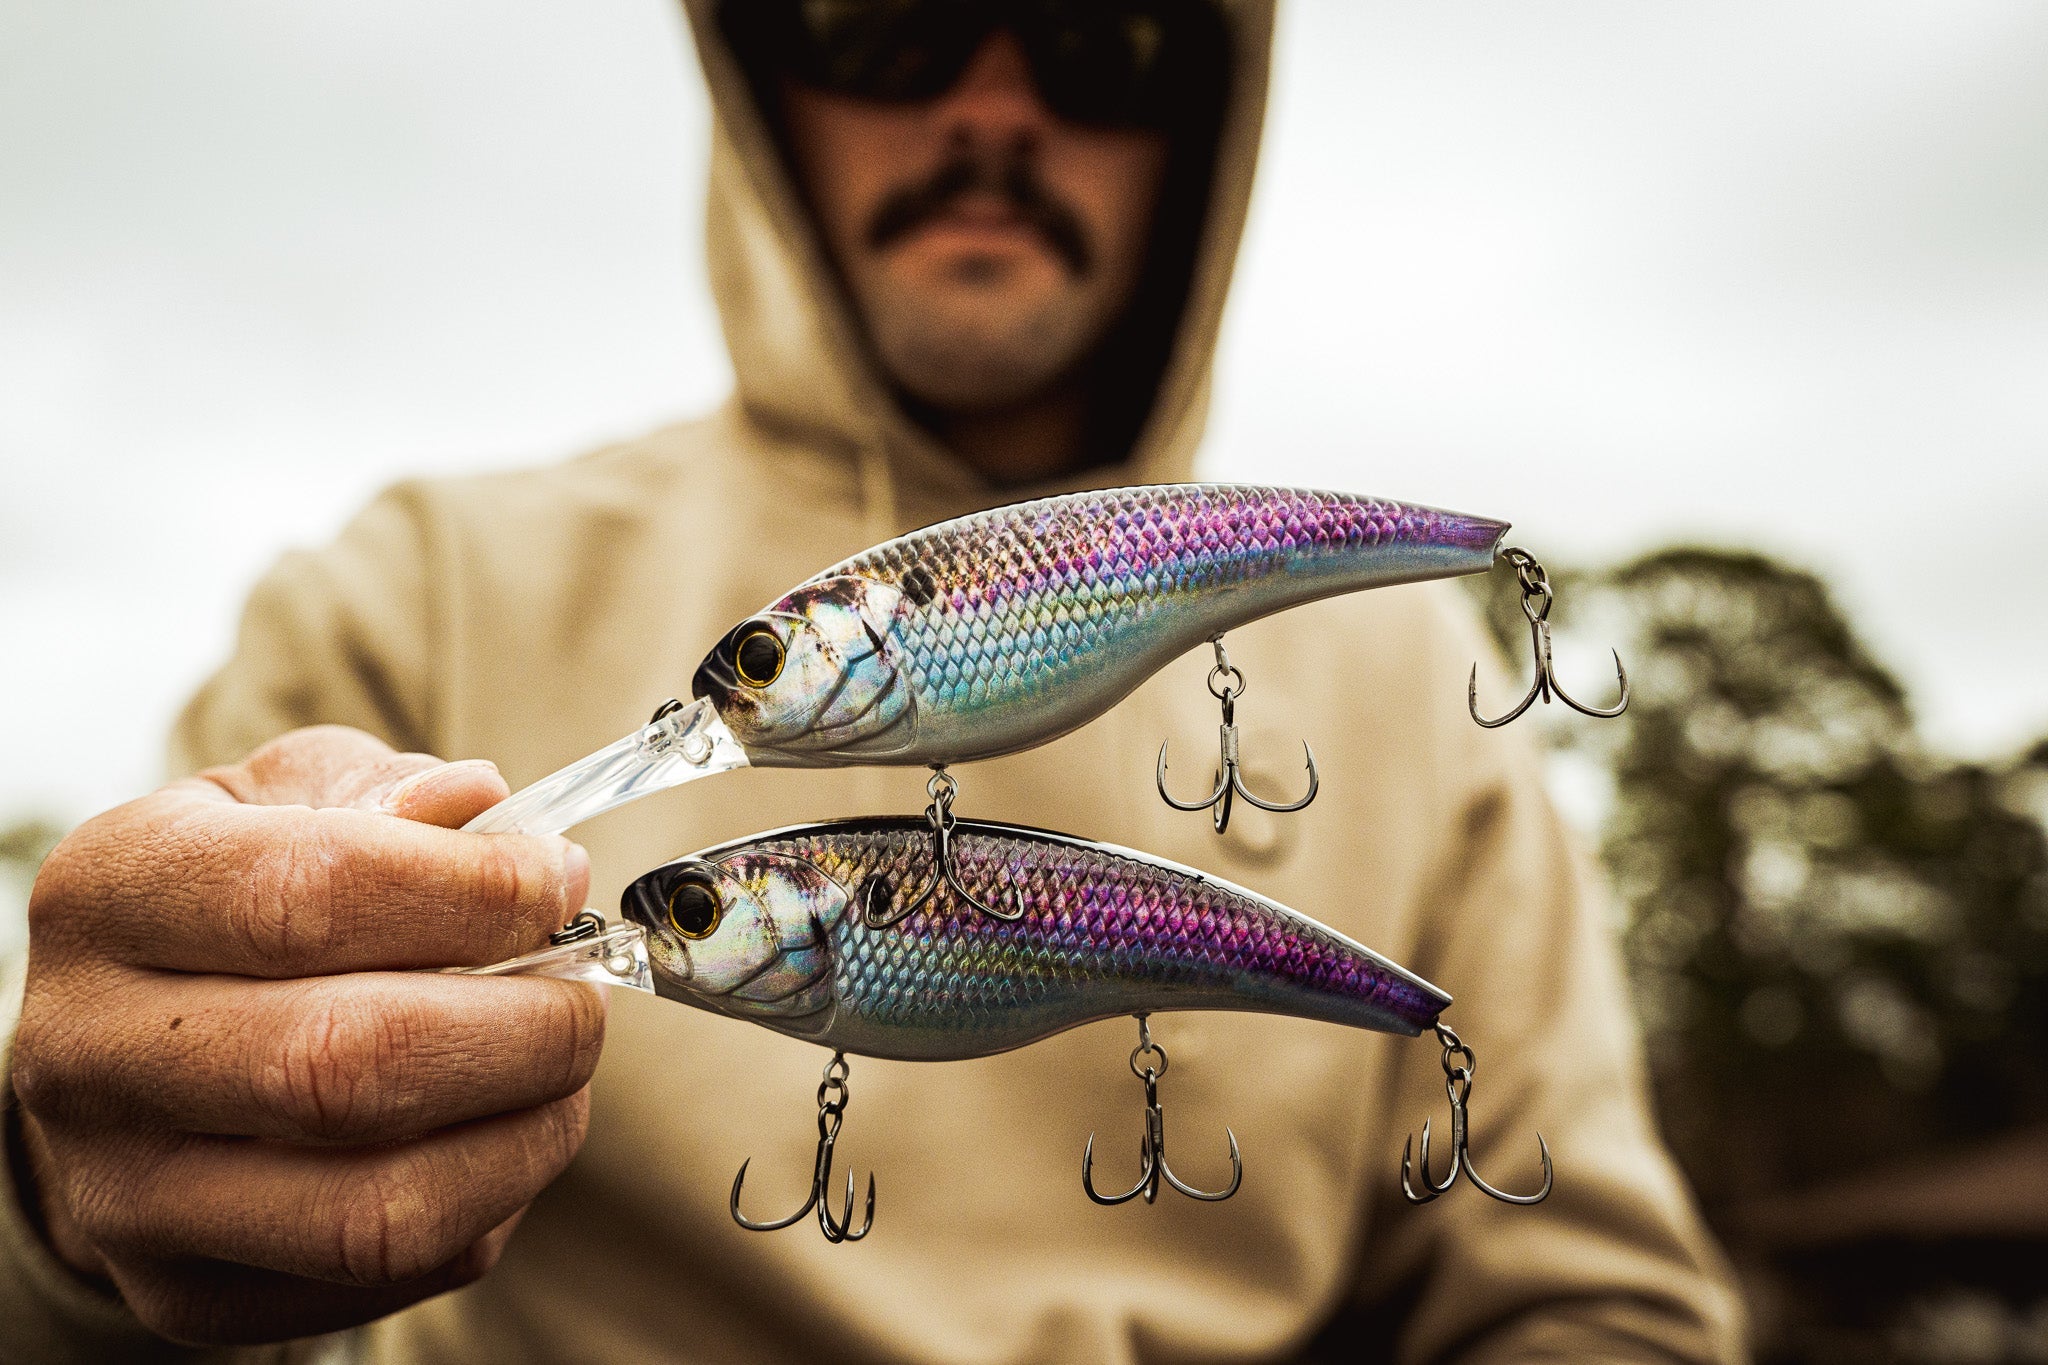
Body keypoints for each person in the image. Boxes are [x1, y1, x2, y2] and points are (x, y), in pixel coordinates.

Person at [2, 1, 1748, 1360]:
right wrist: (66, 1196)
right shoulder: (418, 587)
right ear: (765, 78)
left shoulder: (1408, 678)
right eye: (886, 28)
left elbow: (1594, 1300)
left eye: (1101, 41)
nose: (989, 110)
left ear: (1205, 113)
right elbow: (86, 1219)